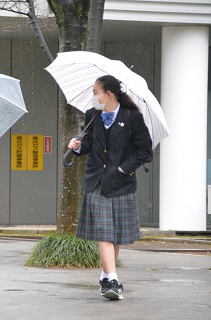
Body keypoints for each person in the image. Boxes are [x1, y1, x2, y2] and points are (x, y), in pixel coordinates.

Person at [67, 75, 153, 301]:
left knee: (114, 236)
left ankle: (106, 275)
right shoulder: (92, 115)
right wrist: (76, 146)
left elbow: (145, 151)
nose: (93, 97)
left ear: (109, 94)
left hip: (121, 183)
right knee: (104, 233)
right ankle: (113, 280)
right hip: (96, 182)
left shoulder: (132, 117)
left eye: (96, 92)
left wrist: (124, 170)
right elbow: (88, 144)